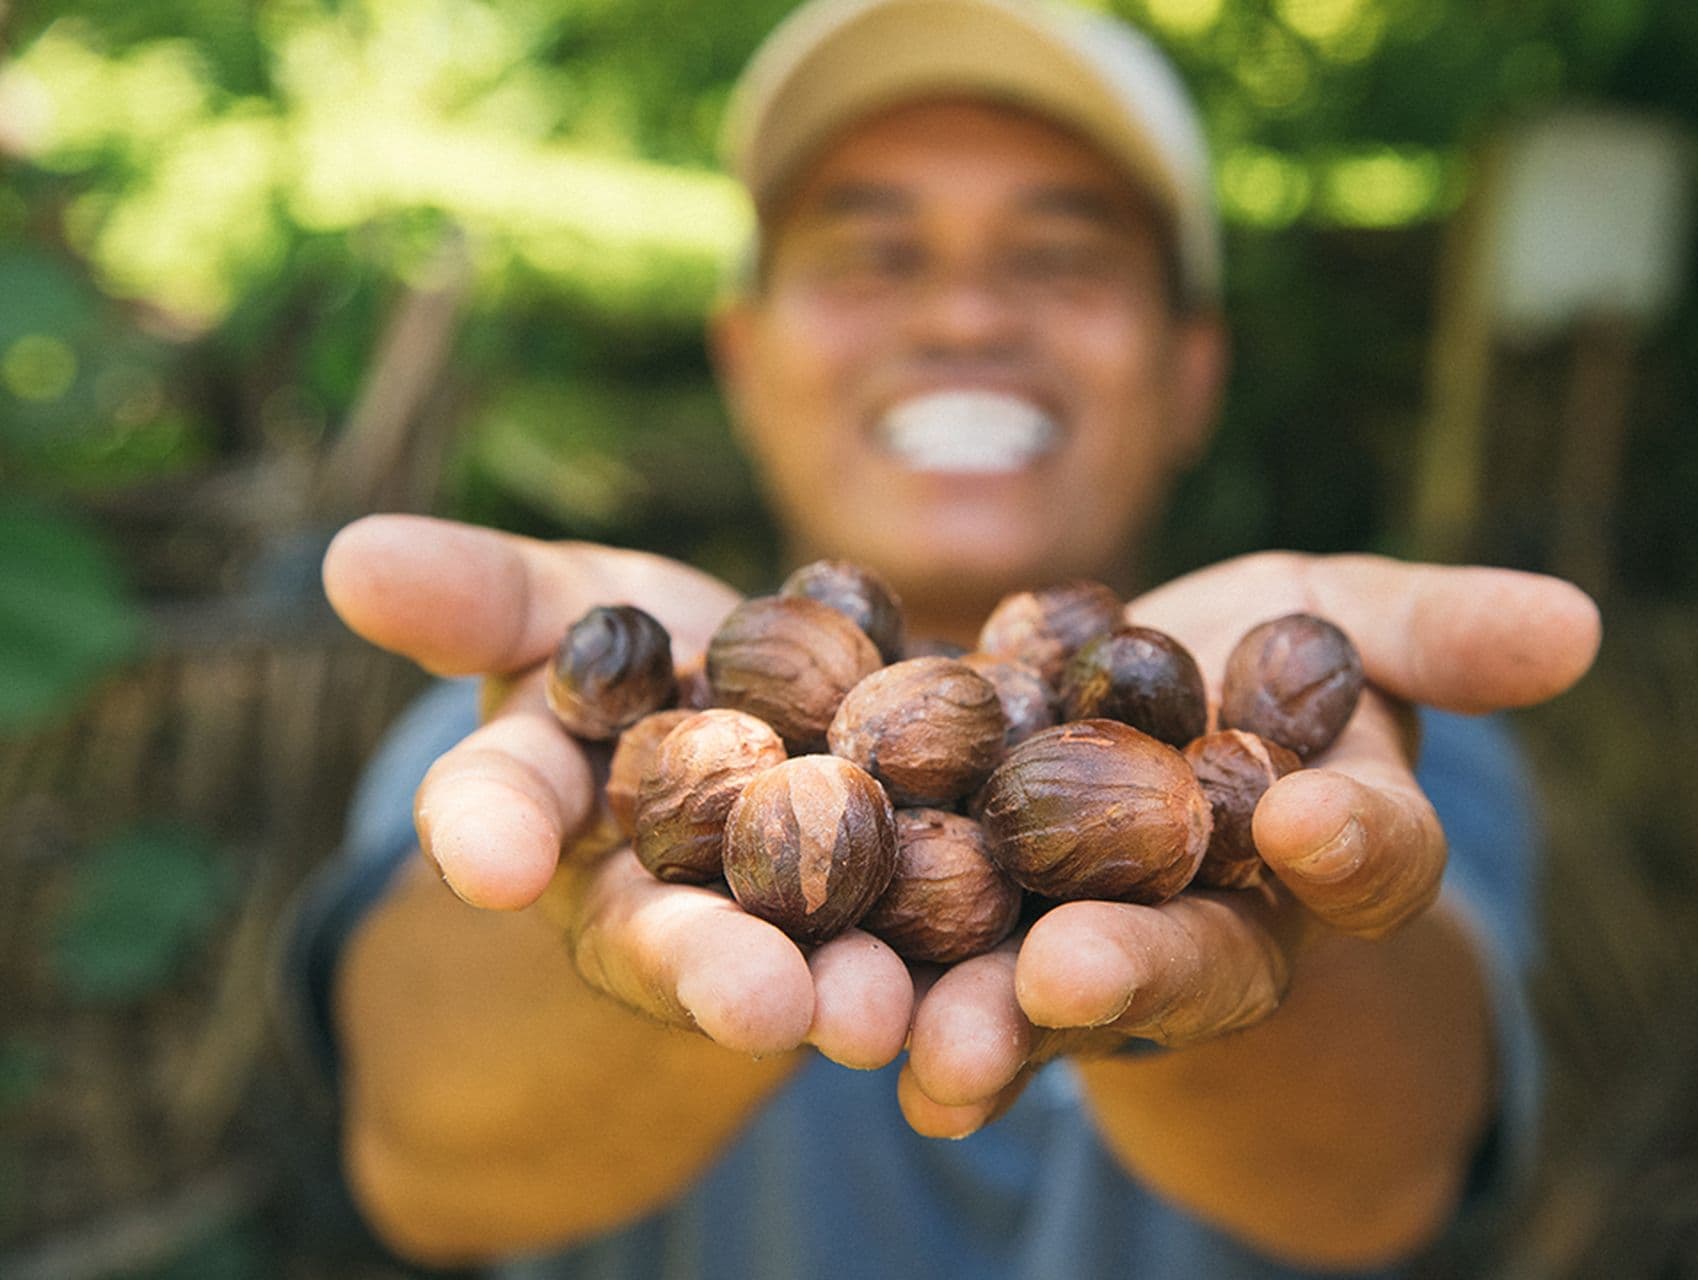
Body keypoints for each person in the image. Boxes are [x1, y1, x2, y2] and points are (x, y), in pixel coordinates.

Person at [284, 0, 1602, 1275]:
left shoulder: (1390, 740)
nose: (965, 315)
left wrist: (1219, 966)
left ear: (1192, 367)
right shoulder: (510, 733)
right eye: (875, 253)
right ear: (744, 357)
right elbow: (424, 1167)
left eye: (1058, 256)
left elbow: (1386, 1181)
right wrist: (616, 885)